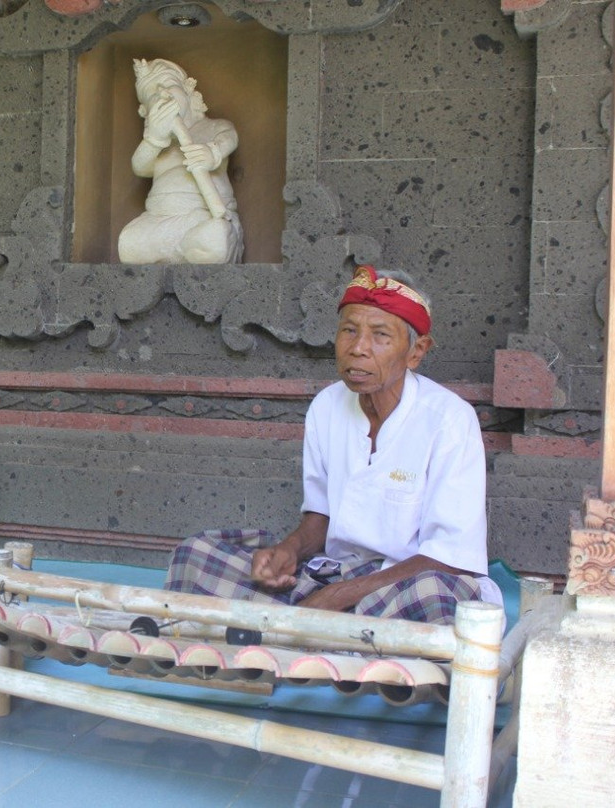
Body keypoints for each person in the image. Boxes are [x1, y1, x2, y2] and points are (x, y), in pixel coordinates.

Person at [165, 264, 501, 624]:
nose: (358, 348)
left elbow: (451, 557)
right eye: (349, 331)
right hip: (331, 574)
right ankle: (328, 638)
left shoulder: (449, 419)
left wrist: (340, 596)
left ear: (416, 352)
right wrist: (288, 551)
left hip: (403, 585)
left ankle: (289, 630)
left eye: (380, 335)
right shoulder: (326, 406)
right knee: (196, 555)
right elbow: (319, 517)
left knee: (433, 599)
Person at [117, 58, 243, 265]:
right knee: (127, 242)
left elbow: (230, 138)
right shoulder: (158, 144)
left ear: (189, 91)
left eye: (168, 85)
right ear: (146, 111)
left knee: (216, 237)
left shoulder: (214, 127)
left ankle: (192, 248)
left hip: (202, 217)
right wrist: (154, 139)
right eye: (153, 95)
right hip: (160, 220)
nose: (162, 94)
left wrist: (213, 153)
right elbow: (140, 167)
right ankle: (181, 251)